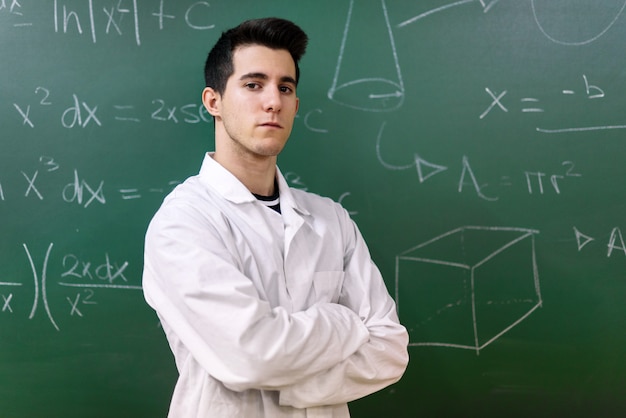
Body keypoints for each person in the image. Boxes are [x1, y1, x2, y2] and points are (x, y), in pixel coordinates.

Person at [142, 17, 409, 417]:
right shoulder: (184, 222)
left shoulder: (331, 220)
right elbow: (250, 355)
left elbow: (389, 349)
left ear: (296, 105)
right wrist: (342, 321)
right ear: (213, 101)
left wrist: (287, 385)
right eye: (253, 84)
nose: (273, 101)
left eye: (285, 87)